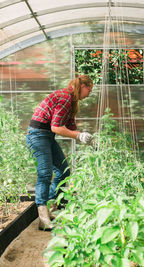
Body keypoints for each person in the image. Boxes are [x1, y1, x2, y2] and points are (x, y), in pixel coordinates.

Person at [26, 75, 94, 230]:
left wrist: (86, 139)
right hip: (37, 134)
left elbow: (70, 126)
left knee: (63, 171)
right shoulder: (65, 98)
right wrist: (78, 136)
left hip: (47, 136)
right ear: (82, 85)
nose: (89, 93)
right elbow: (56, 127)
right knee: (45, 174)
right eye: (89, 89)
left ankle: (50, 208)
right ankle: (43, 219)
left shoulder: (72, 101)